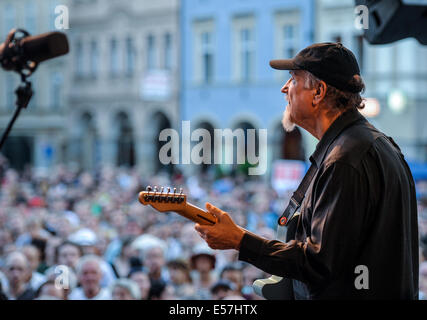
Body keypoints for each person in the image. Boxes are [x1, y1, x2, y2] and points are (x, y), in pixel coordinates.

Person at [195, 42, 419, 300]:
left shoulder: (345, 159)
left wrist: (239, 240)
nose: (284, 88)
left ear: (318, 92)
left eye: (293, 79)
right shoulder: (368, 145)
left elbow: (319, 263)